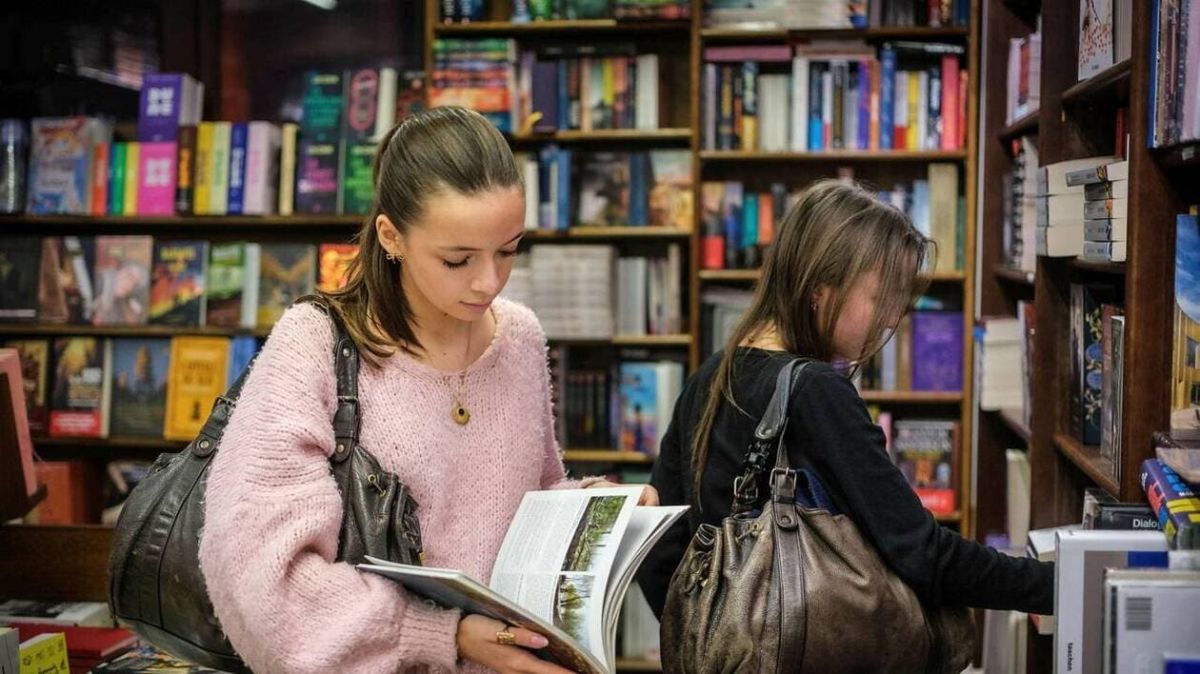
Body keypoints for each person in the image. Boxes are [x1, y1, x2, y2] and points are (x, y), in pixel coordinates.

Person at [199, 106, 654, 674]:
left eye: (508, 250)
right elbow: (261, 577)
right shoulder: (314, 343)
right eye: (457, 259)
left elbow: (527, 500)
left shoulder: (519, 335)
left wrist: (598, 508)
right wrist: (442, 634)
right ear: (391, 236)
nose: (489, 282)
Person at [636, 180, 1053, 626]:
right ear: (821, 288)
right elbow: (923, 554)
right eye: (880, 297)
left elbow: (658, 550)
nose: (891, 319)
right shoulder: (816, 390)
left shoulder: (710, 376)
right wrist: (1056, 585)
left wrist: (705, 639)